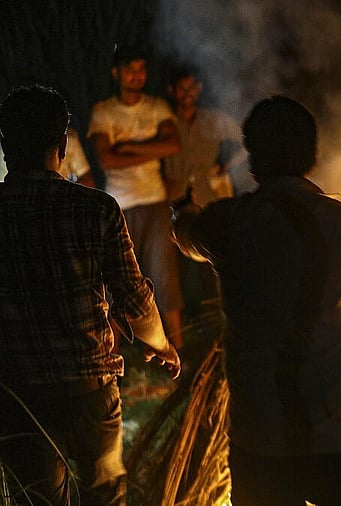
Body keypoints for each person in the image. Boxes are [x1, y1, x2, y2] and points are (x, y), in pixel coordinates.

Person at [172, 95, 341, 505]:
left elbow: (188, 235)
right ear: (312, 156)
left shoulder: (229, 225)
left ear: (253, 159)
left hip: (262, 442)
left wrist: (182, 212)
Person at [0, 84, 180, 506]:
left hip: (17, 397)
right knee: (103, 497)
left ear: (5, 142)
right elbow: (135, 301)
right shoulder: (96, 209)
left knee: (36, 501)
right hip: (90, 394)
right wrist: (163, 347)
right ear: (62, 144)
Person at [88, 45, 184, 348]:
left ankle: (177, 346)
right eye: (130, 70)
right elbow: (107, 159)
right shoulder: (104, 111)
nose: (137, 76)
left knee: (164, 274)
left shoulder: (156, 107)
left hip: (154, 199)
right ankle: (112, 352)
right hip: (119, 203)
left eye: (141, 70)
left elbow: (173, 144)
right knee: (118, 278)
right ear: (117, 73)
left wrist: (128, 148)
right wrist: (150, 148)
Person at [164, 67, 248, 317]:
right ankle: (193, 317)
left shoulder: (212, 120)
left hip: (210, 199)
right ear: (172, 90)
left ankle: (219, 314)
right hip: (176, 202)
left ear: (198, 89)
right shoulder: (164, 122)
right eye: (182, 88)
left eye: (192, 88)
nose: (187, 93)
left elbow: (245, 138)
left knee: (214, 259)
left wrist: (227, 165)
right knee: (180, 262)